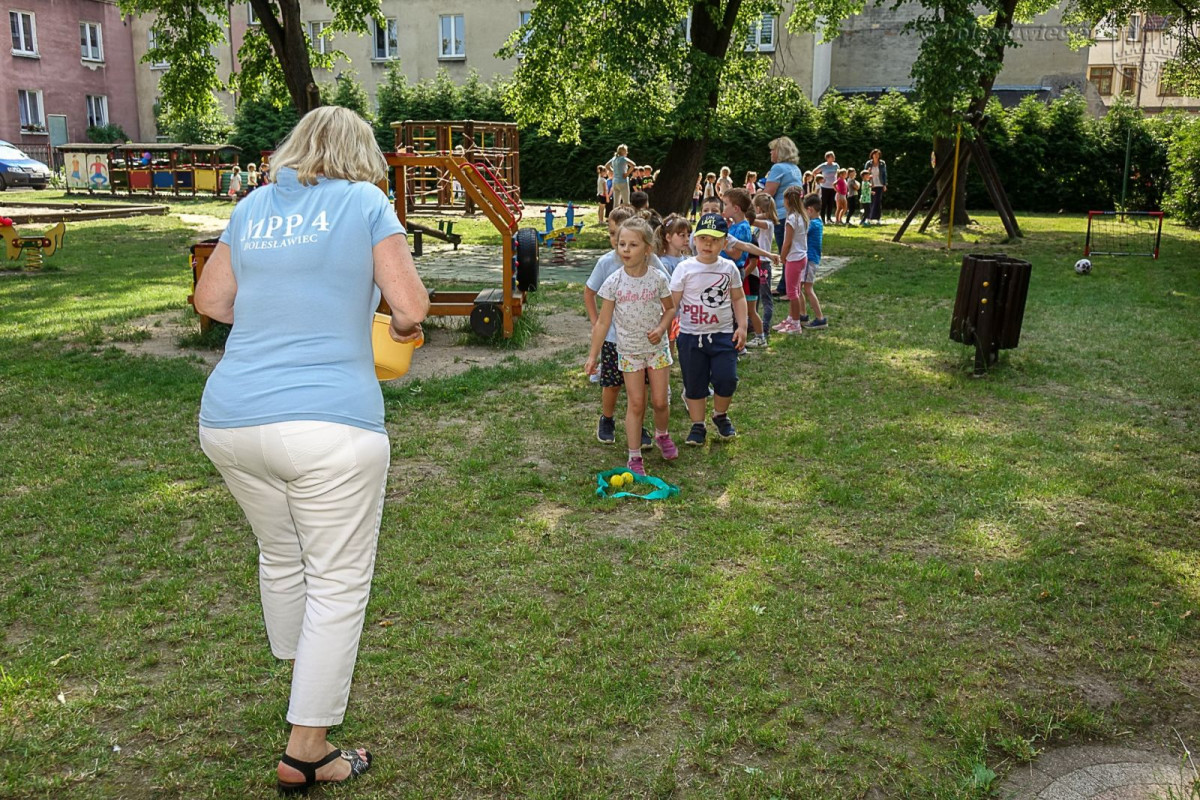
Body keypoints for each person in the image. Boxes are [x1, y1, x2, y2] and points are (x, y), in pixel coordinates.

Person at [193, 106, 429, 795]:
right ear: (362, 154)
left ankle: (301, 670)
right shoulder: (365, 201)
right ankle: (306, 750)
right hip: (331, 426)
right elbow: (410, 307)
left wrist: (279, 310)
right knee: (338, 583)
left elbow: (213, 300)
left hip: (232, 418)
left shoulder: (254, 204)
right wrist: (391, 326)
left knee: (281, 552)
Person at [585, 217, 677, 476]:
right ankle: (634, 455)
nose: (625, 249)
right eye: (622, 244)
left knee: (659, 402)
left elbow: (670, 308)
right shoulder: (614, 282)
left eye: (632, 244)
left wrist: (661, 328)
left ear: (648, 249)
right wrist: (593, 356)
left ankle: (662, 434)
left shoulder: (658, 278)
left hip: (657, 351)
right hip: (628, 352)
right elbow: (603, 323)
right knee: (636, 403)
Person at [671, 212, 748, 445]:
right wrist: (665, 330)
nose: (708, 244)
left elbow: (738, 298)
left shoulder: (729, 268)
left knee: (727, 379)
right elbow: (672, 304)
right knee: (695, 383)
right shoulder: (685, 269)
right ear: (695, 240)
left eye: (715, 239)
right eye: (703, 238)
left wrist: (742, 326)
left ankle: (720, 415)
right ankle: (698, 425)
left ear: (725, 242)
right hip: (691, 337)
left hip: (723, 335)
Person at [721, 188, 775, 349]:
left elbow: (737, 254)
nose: (723, 208)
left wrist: (721, 246)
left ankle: (751, 339)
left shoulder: (743, 228)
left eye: (725, 205)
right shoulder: (735, 225)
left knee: (742, 310)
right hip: (731, 271)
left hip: (737, 271)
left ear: (736, 208)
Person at [763, 136, 803, 295]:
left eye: (773, 149)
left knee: (785, 251)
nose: (771, 152)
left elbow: (768, 194)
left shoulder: (778, 168)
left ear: (780, 151)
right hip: (794, 214)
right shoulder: (795, 169)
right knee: (792, 250)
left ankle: (788, 288)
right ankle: (785, 286)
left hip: (780, 214)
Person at [773, 185, 809, 336]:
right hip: (802, 257)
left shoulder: (791, 218)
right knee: (796, 290)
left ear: (787, 200)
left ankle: (795, 323)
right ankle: (790, 318)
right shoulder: (803, 216)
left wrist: (782, 256)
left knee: (791, 293)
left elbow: (787, 242)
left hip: (793, 258)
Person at [750, 192, 778, 340]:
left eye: (754, 208)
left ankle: (765, 328)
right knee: (755, 295)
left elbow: (751, 220)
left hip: (763, 264)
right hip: (757, 263)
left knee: (766, 297)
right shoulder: (765, 220)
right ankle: (753, 324)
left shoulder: (767, 224)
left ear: (759, 209)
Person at [799, 193, 828, 329]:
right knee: (801, 287)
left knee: (807, 289)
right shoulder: (818, 222)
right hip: (811, 259)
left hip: (810, 260)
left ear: (809, 210)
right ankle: (802, 315)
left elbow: (800, 232)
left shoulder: (813, 224)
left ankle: (820, 318)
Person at [810, 151, 840, 224]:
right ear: (828, 158)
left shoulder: (836, 165)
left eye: (834, 156)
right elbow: (814, 172)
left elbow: (839, 174)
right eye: (832, 156)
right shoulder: (823, 166)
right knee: (824, 203)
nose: (834, 158)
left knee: (831, 203)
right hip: (824, 187)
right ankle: (822, 218)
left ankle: (829, 218)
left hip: (833, 187)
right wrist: (818, 180)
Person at [863, 148, 888, 225]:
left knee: (878, 201)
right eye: (875, 154)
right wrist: (869, 172)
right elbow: (864, 173)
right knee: (870, 201)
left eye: (878, 154)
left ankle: (877, 218)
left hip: (879, 184)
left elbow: (884, 174)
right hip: (871, 184)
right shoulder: (868, 163)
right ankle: (869, 217)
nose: (876, 156)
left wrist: (884, 185)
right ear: (872, 155)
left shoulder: (882, 163)